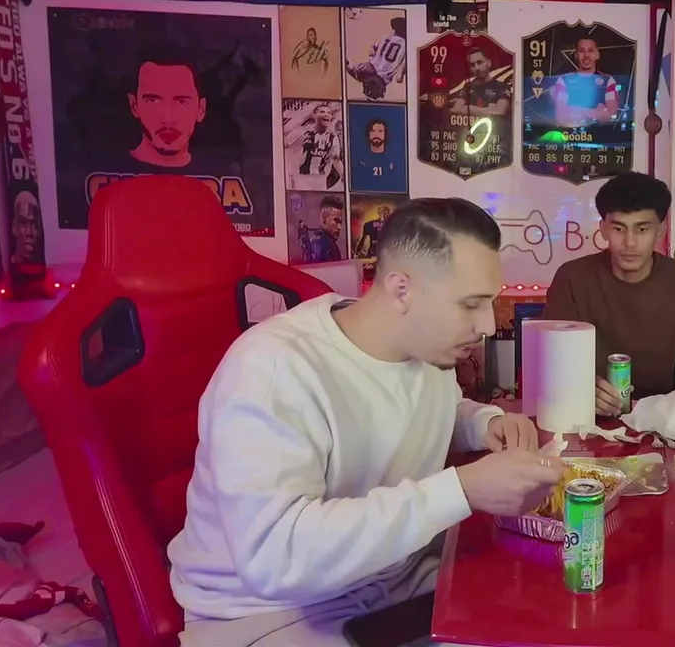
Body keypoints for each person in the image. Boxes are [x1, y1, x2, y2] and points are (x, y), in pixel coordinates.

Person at [170, 197, 563, 647]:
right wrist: (461, 490)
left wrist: (483, 424)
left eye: (489, 302)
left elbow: (423, 411)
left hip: (397, 578)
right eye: (470, 304)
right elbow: (276, 560)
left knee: (544, 610)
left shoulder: (427, 348)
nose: (488, 325)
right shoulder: (274, 369)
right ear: (401, 290)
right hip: (272, 613)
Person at [543, 172, 675, 416]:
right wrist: (581, 390)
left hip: (669, 421)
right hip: (586, 417)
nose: (630, 242)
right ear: (603, 229)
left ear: (660, 230)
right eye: (619, 228)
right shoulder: (572, 278)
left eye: (642, 229)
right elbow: (551, 366)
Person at [126, 45, 205, 169]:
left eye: (182, 102)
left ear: (201, 109)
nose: (168, 119)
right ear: (134, 106)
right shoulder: (108, 172)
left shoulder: (221, 172)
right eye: (153, 101)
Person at [552, 37, 619, 128]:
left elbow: (610, 117)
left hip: (600, 134)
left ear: (597, 55)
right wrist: (596, 113)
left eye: (590, 51)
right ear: (576, 55)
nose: (586, 55)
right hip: (570, 134)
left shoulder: (608, 80)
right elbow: (561, 117)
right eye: (581, 51)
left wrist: (574, 110)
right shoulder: (564, 80)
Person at [347, 16, 406, 100]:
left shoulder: (385, 37)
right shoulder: (406, 45)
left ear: (394, 30)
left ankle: (347, 65)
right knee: (375, 95)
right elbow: (399, 78)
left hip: (370, 66)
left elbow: (371, 52)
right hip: (383, 77)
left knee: (353, 69)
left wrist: (376, 54)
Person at [449, 48, 510, 117]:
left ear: (489, 63)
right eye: (472, 65)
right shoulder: (468, 87)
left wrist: (469, 108)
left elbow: (500, 112)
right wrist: (489, 110)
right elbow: (456, 109)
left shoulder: (501, 87)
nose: (476, 68)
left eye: (480, 62)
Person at [297, 103, 342, 190]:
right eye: (322, 112)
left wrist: (342, 174)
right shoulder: (304, 134)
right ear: (314, 115)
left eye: (329, 113)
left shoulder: (333, 137)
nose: (326, 114)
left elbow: (335, 158)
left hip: (321, 179)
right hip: (302, 177)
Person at [297, 195, 345, 264]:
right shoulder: (325, 245)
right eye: (336, 221)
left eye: (340, 222)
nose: (339, 227)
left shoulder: (316, 241)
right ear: (324, 220)